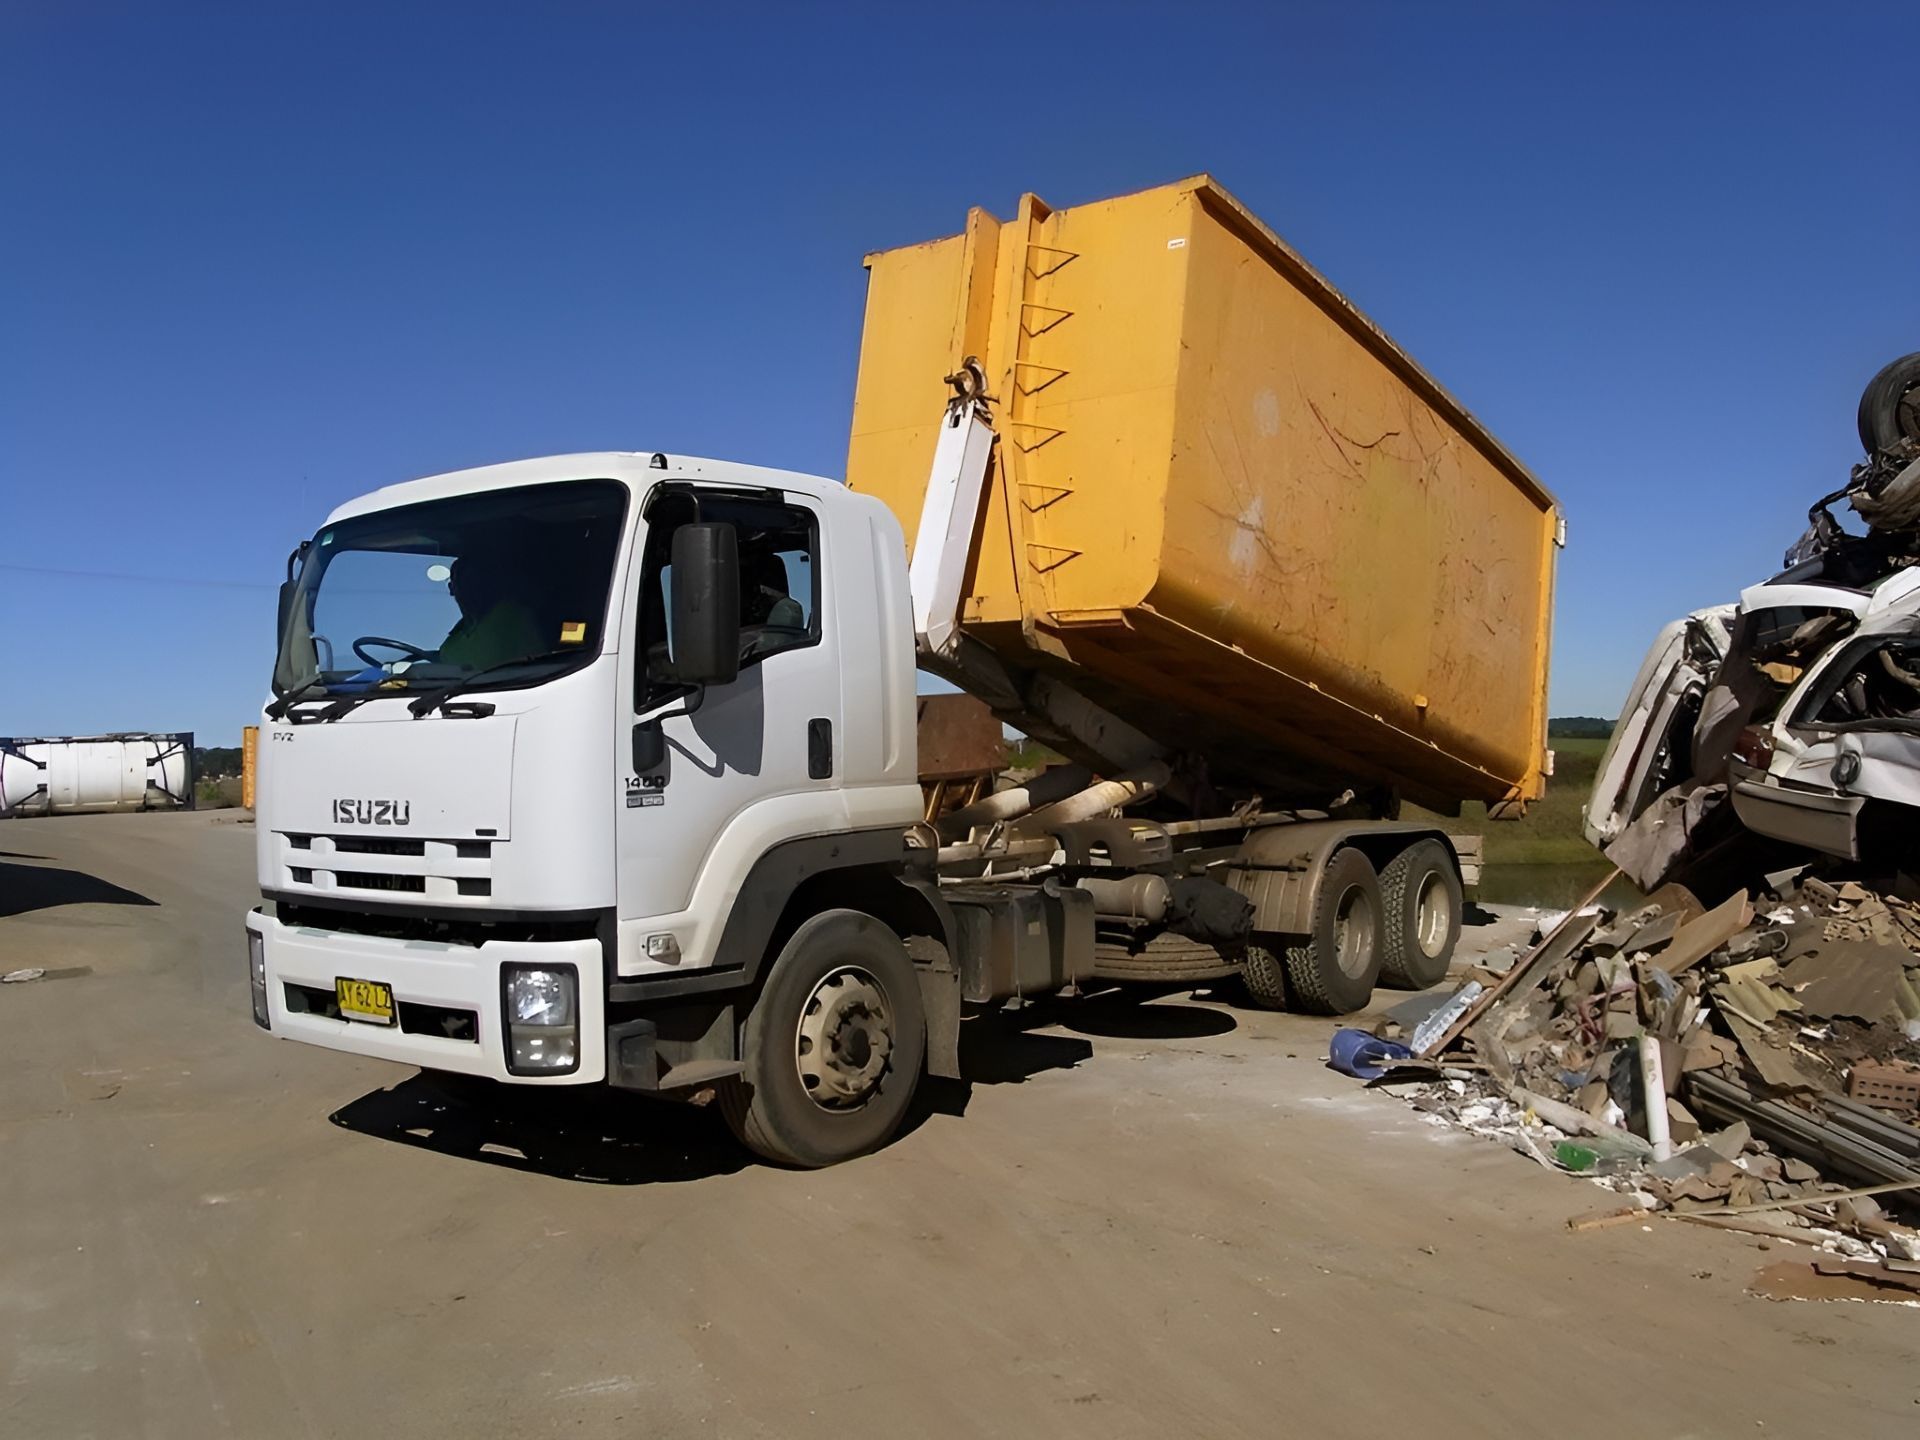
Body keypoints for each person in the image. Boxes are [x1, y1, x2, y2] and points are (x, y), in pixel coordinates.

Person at [438, 548, 544, 669]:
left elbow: (541, 664)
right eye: (463, 580)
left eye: (475, 581)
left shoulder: (512, 617)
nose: (470, 588)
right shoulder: (448, 647)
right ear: (451, 588)